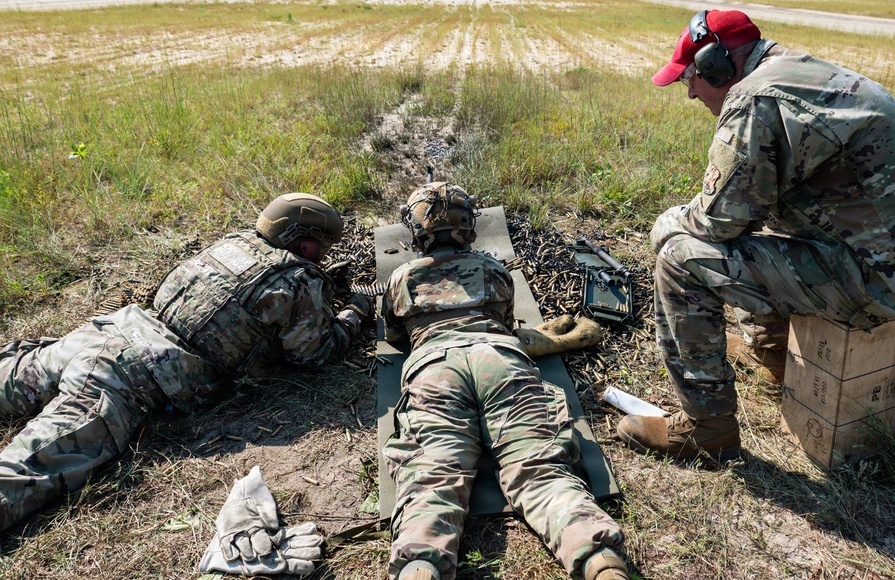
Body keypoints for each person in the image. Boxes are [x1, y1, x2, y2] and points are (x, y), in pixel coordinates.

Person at [616, 9, 895, 461]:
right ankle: (775, 356)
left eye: (691, 79)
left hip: (878, 279)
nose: (691, 92)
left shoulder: (756, 98)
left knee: (679, 256)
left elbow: (716, 221)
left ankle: (706, 428)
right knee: (762, 220)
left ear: (717, 63)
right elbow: (750, 206)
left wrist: (666, 222)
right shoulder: (798, 73)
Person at [0, 192, 374, 533]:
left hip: (101, 335)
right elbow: (314, 354)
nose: (323, 255)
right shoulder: (298, 281)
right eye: (322, 247)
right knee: (23, 476)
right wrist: (355, 310)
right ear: (305, 244)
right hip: (126, 377)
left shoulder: (231, 243)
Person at [381, 182, 629, 580]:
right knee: (539, 468)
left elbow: (395, 336)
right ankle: (601, 563)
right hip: (501, 359)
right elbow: (506, 322)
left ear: (415, 231)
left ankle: (419, 567)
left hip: (434, 370)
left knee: (431, 475)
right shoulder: (492, 269)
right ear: (469, 227)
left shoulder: (401, 278)